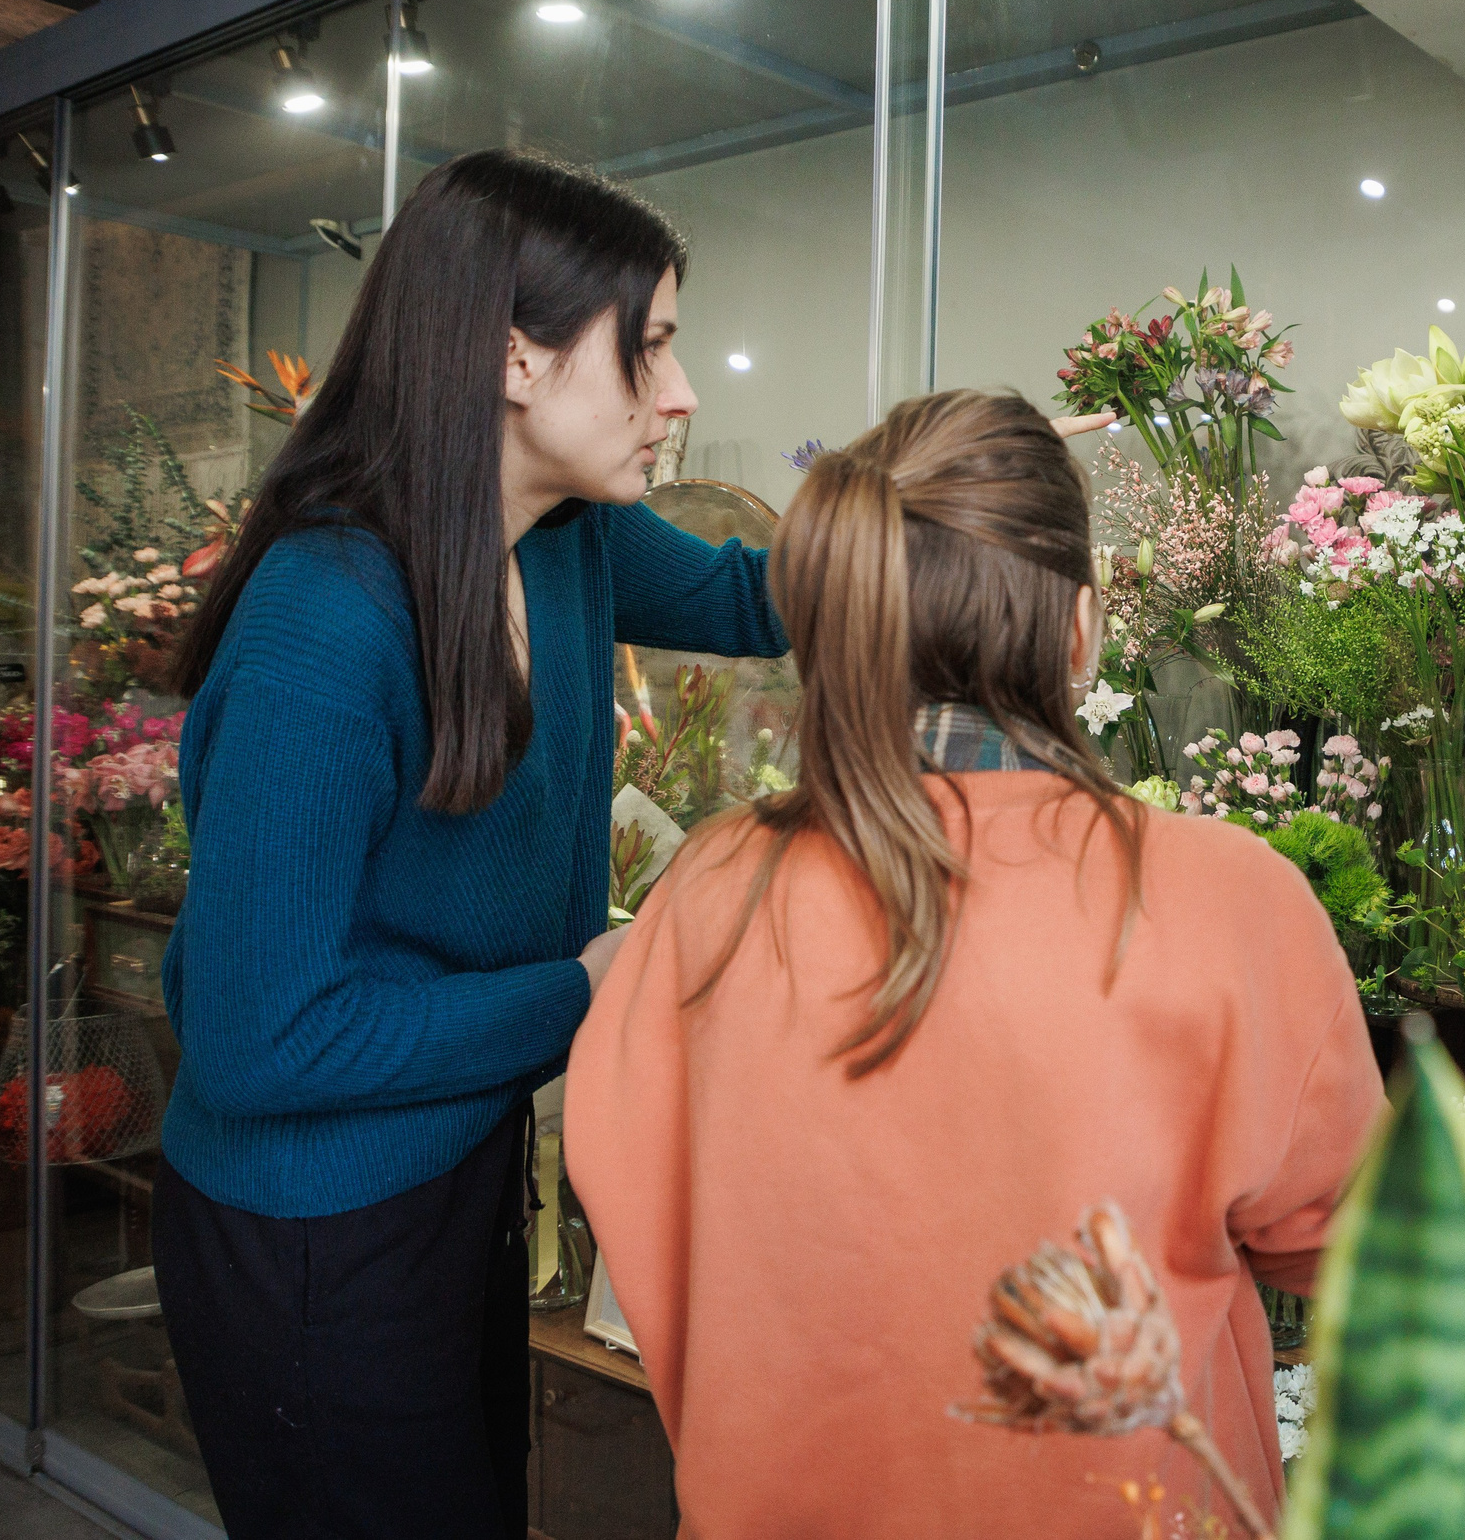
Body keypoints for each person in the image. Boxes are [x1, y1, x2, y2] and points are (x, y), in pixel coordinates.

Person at [148, 152, 1106, 1539]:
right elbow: (262, 1038)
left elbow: (756, 594)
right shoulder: (326, 626)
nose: (684, 391)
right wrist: (593, 983)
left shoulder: (564, 539)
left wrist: (966, 508)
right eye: (649, 343)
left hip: (450, 1166)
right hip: (312, 1233)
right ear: (513, 356)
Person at [564, 391, 1385, 1539]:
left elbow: (640, 1230)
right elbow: (1353, 1242)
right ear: (1082, 626)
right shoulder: (1225, 896)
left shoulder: (712, 887)